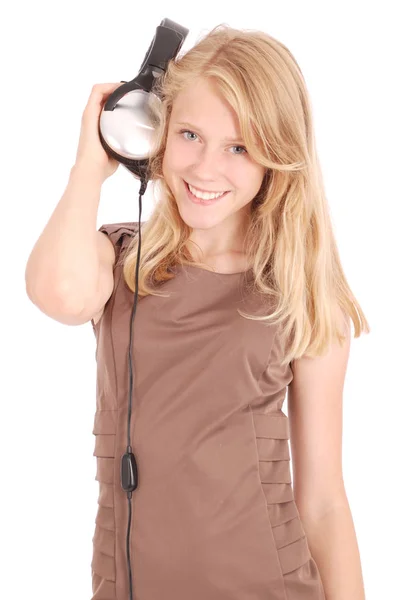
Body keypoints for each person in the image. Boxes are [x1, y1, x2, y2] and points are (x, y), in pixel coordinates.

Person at [25, 24, 369, 600]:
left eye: (239, 147)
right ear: (155, 135)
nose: (206, 168)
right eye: (189, 134)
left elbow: (325, 502)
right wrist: (93, 163)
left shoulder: (302, 293)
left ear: (275, 159)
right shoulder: (120, 262)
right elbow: (56, 292)